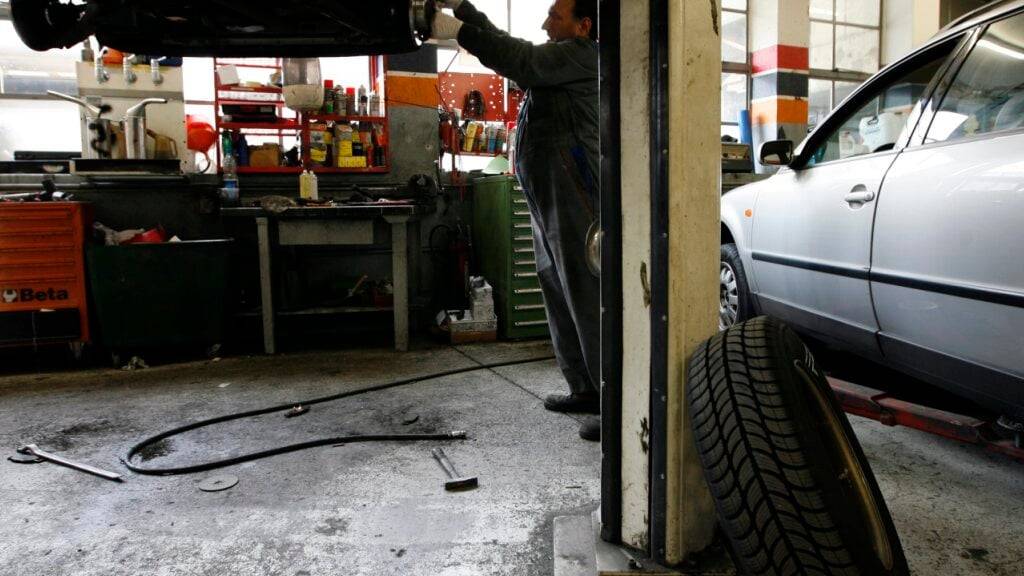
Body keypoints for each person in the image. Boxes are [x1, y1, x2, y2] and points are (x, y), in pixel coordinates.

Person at [431, 0, 601, 441]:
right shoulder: (561, 56)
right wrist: (466, 11)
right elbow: (514, 47)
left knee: (585, 292)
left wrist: (457, 30)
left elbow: (520, 58)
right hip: (546, 192)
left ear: (583, 26)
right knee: (555, 287)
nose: (546, 24)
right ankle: (583, 388)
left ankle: (612, 400)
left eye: (555, 16)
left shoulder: (582, 55)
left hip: (573, 191)